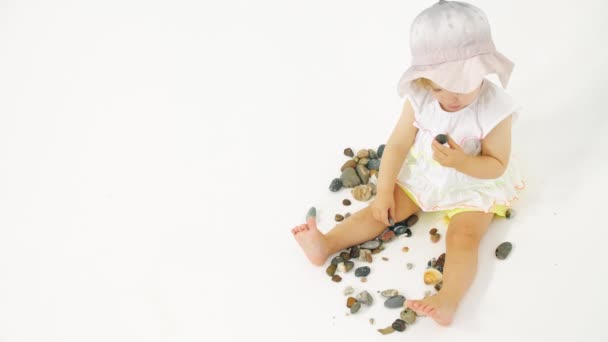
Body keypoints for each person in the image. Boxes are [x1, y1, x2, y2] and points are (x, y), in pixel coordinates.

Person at [291, 0, 525, 326]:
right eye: (441, 86)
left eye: (462, 84)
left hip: (474, 182)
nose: (451, 97)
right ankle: (326, 243)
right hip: (427, 175)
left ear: (481, 70)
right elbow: (399, 143)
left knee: (463, 238)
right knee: (380, 211)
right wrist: (385, 190)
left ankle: (449, 298)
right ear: (426, 79)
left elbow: (497, 164)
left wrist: (461, 162)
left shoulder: (494, 109)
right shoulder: (421, 97)